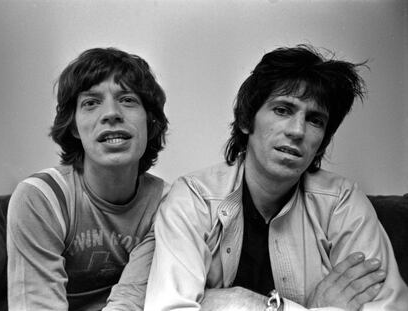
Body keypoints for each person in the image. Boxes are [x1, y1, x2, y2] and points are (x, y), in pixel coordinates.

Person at [144, 45, 408, 310]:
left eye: (315, 120)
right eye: (283, 110)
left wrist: (250, 304)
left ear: (323, 141)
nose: (297, 130)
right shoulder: (193, 198)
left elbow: (389, 306)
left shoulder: (342, 202)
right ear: (247, 120)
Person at [7, 47, 169, 311]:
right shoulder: (41, 198)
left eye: (128, 99)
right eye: (91, 102)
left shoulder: (167, 205)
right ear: (73, 125)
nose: (111, 113)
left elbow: (129, 302)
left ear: (150, 121)